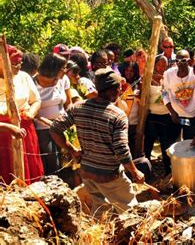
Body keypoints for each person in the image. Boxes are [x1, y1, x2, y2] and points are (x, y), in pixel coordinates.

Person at [50, 68, 144, 219]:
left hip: (87, 172)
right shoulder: (117, 116)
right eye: (119, 89)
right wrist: (135, 172)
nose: (120, 92)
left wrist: (72, 149)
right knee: (130, 212)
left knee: (100, 209)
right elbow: (121, 150)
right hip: (110, 175)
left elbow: (55, 129)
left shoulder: (78, 107)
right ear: (113, 90)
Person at [0, 45, 44, 184]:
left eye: (20, 62)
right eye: (14, 63)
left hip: (24, 129)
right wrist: (8, 126)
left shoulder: (24, 77)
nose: (19, 66)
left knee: (29, 167)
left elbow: (36, 100)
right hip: (2, 132)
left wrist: (31, 112)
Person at [33, 53, 69, 176]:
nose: (65, 71)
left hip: (63, 126)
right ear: (53, 68)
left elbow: (68, 103)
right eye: (63, 68)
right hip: (43, 128)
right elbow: (31, 110)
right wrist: (49, 123)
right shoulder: (32, 82)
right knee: (52, 160)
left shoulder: (63, 80)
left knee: (69, 160)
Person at [163, 50, 195, 143]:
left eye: (183, 61)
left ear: (189, 61)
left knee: (191, 144)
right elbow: (164, 93)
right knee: (170, 144)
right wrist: (172, 112)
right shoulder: (168, 74)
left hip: (191, 115)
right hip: (174, 115)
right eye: (177, 61)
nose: (179, 63)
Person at [144, 56, 175, 171]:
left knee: (165, 144)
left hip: (166, 115)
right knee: (149, 143)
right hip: (152, 116)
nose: (162, 67)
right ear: (155, 65)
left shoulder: (168, 79)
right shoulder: (147, 79)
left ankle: (168, 169)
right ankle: (146, 170)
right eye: (160, 65)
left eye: (164, 65)